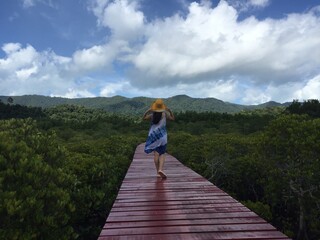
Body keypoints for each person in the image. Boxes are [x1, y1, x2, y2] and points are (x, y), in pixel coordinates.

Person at [143, 99, 175, 179]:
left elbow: (144, 118)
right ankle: (160, 169)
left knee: (156, 154)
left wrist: (148, 111)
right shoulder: (164, 114)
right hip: (162, 137)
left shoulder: (152, 115)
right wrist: (170, 111)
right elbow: (172, 118)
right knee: (162, 153)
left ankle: (158, 172)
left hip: (153, 137)